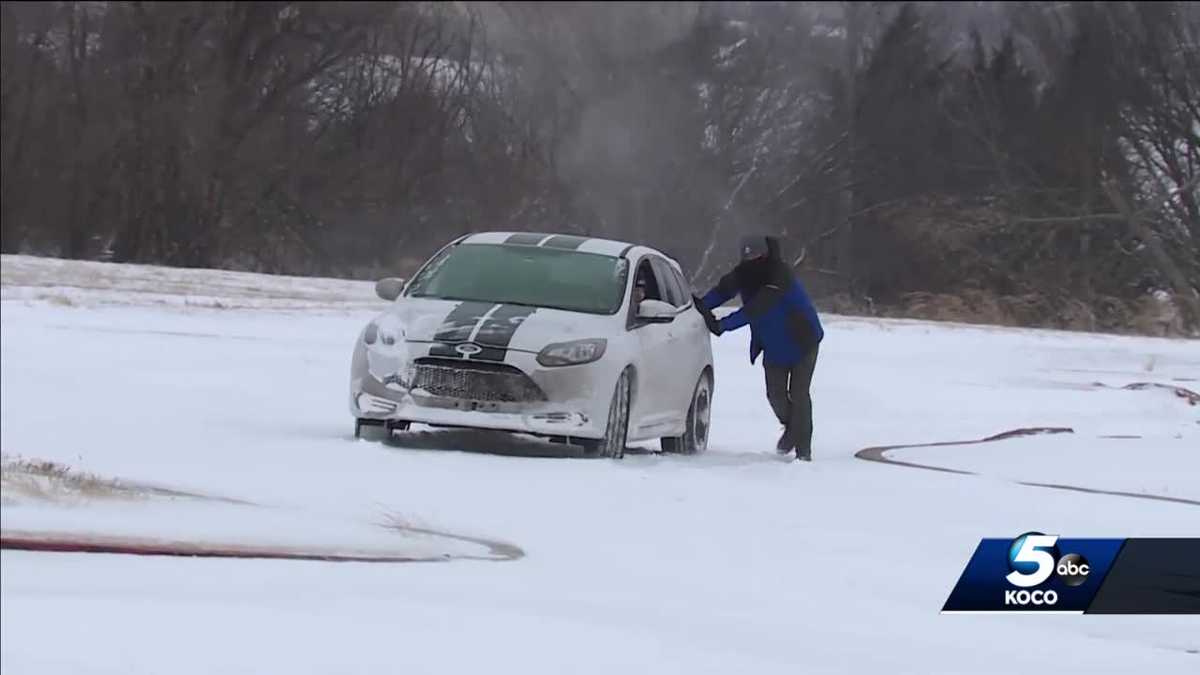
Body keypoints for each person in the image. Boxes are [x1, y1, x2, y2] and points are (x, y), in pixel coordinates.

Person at [694, 235, 824, 461]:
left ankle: (804, 451)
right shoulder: (743, 274)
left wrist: (722, 325)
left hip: (803, 342)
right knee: (775, 395)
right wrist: (700, 306)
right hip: (773, 346)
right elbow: (722, 291)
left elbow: (756, 309)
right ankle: (793, 429)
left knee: (799, 394)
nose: (751, 260)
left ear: (765, 254)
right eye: (747, 256)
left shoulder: (779, 276)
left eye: (755, 256)